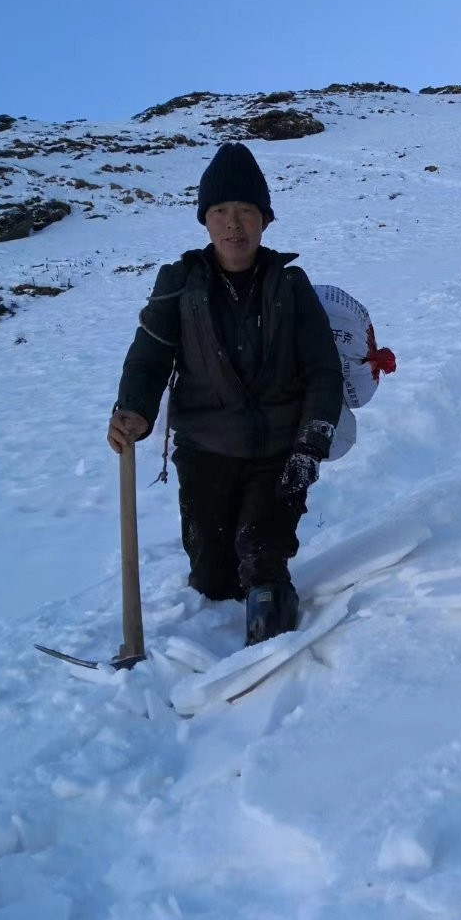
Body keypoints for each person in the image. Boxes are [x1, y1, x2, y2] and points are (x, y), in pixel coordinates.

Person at [107, 142, 343, 645]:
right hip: (206, 450)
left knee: (261, 557)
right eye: (221, 212)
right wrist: (133, 411)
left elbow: (324, 371)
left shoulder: (291, 285)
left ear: (265, 220)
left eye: (246, 212)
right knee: (213, 581)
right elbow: (149, 358)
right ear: (205, 221)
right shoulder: (178, 283)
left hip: (279, 448)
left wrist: (310, 444)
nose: (234, 224)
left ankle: (272, 652)